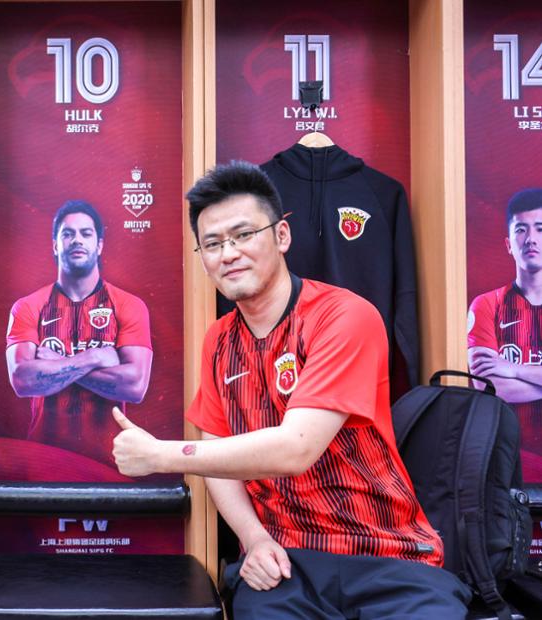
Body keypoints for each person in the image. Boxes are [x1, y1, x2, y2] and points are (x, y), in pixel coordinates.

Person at [110, 161, 470, 617]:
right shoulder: (219, 341)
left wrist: (162, 456)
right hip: (287, 563)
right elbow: (217, 451)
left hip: (389, 557)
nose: (229, 253)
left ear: (281, 236)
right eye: (213, 243)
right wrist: (255, 539)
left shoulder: (344, 316)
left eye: (243, 235)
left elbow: (297, 448)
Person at [6, 200, 153, 465]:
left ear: (99, 245)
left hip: (112, 462)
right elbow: (22, 381)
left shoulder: (129, 305)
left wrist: (57, 364)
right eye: (67, 233)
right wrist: (94, 357)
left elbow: (135, 386)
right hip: (43, 459)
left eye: (86, 233)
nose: (77, 240)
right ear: (55, 245)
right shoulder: (27, 307)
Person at [468, 188, 542, 482]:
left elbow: (504, 376)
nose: (531, 239)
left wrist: (513, 369)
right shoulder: (487, 305)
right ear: (509, 244)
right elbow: (488, 386)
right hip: (510, 462)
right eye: (521, 229)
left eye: (540, 228)